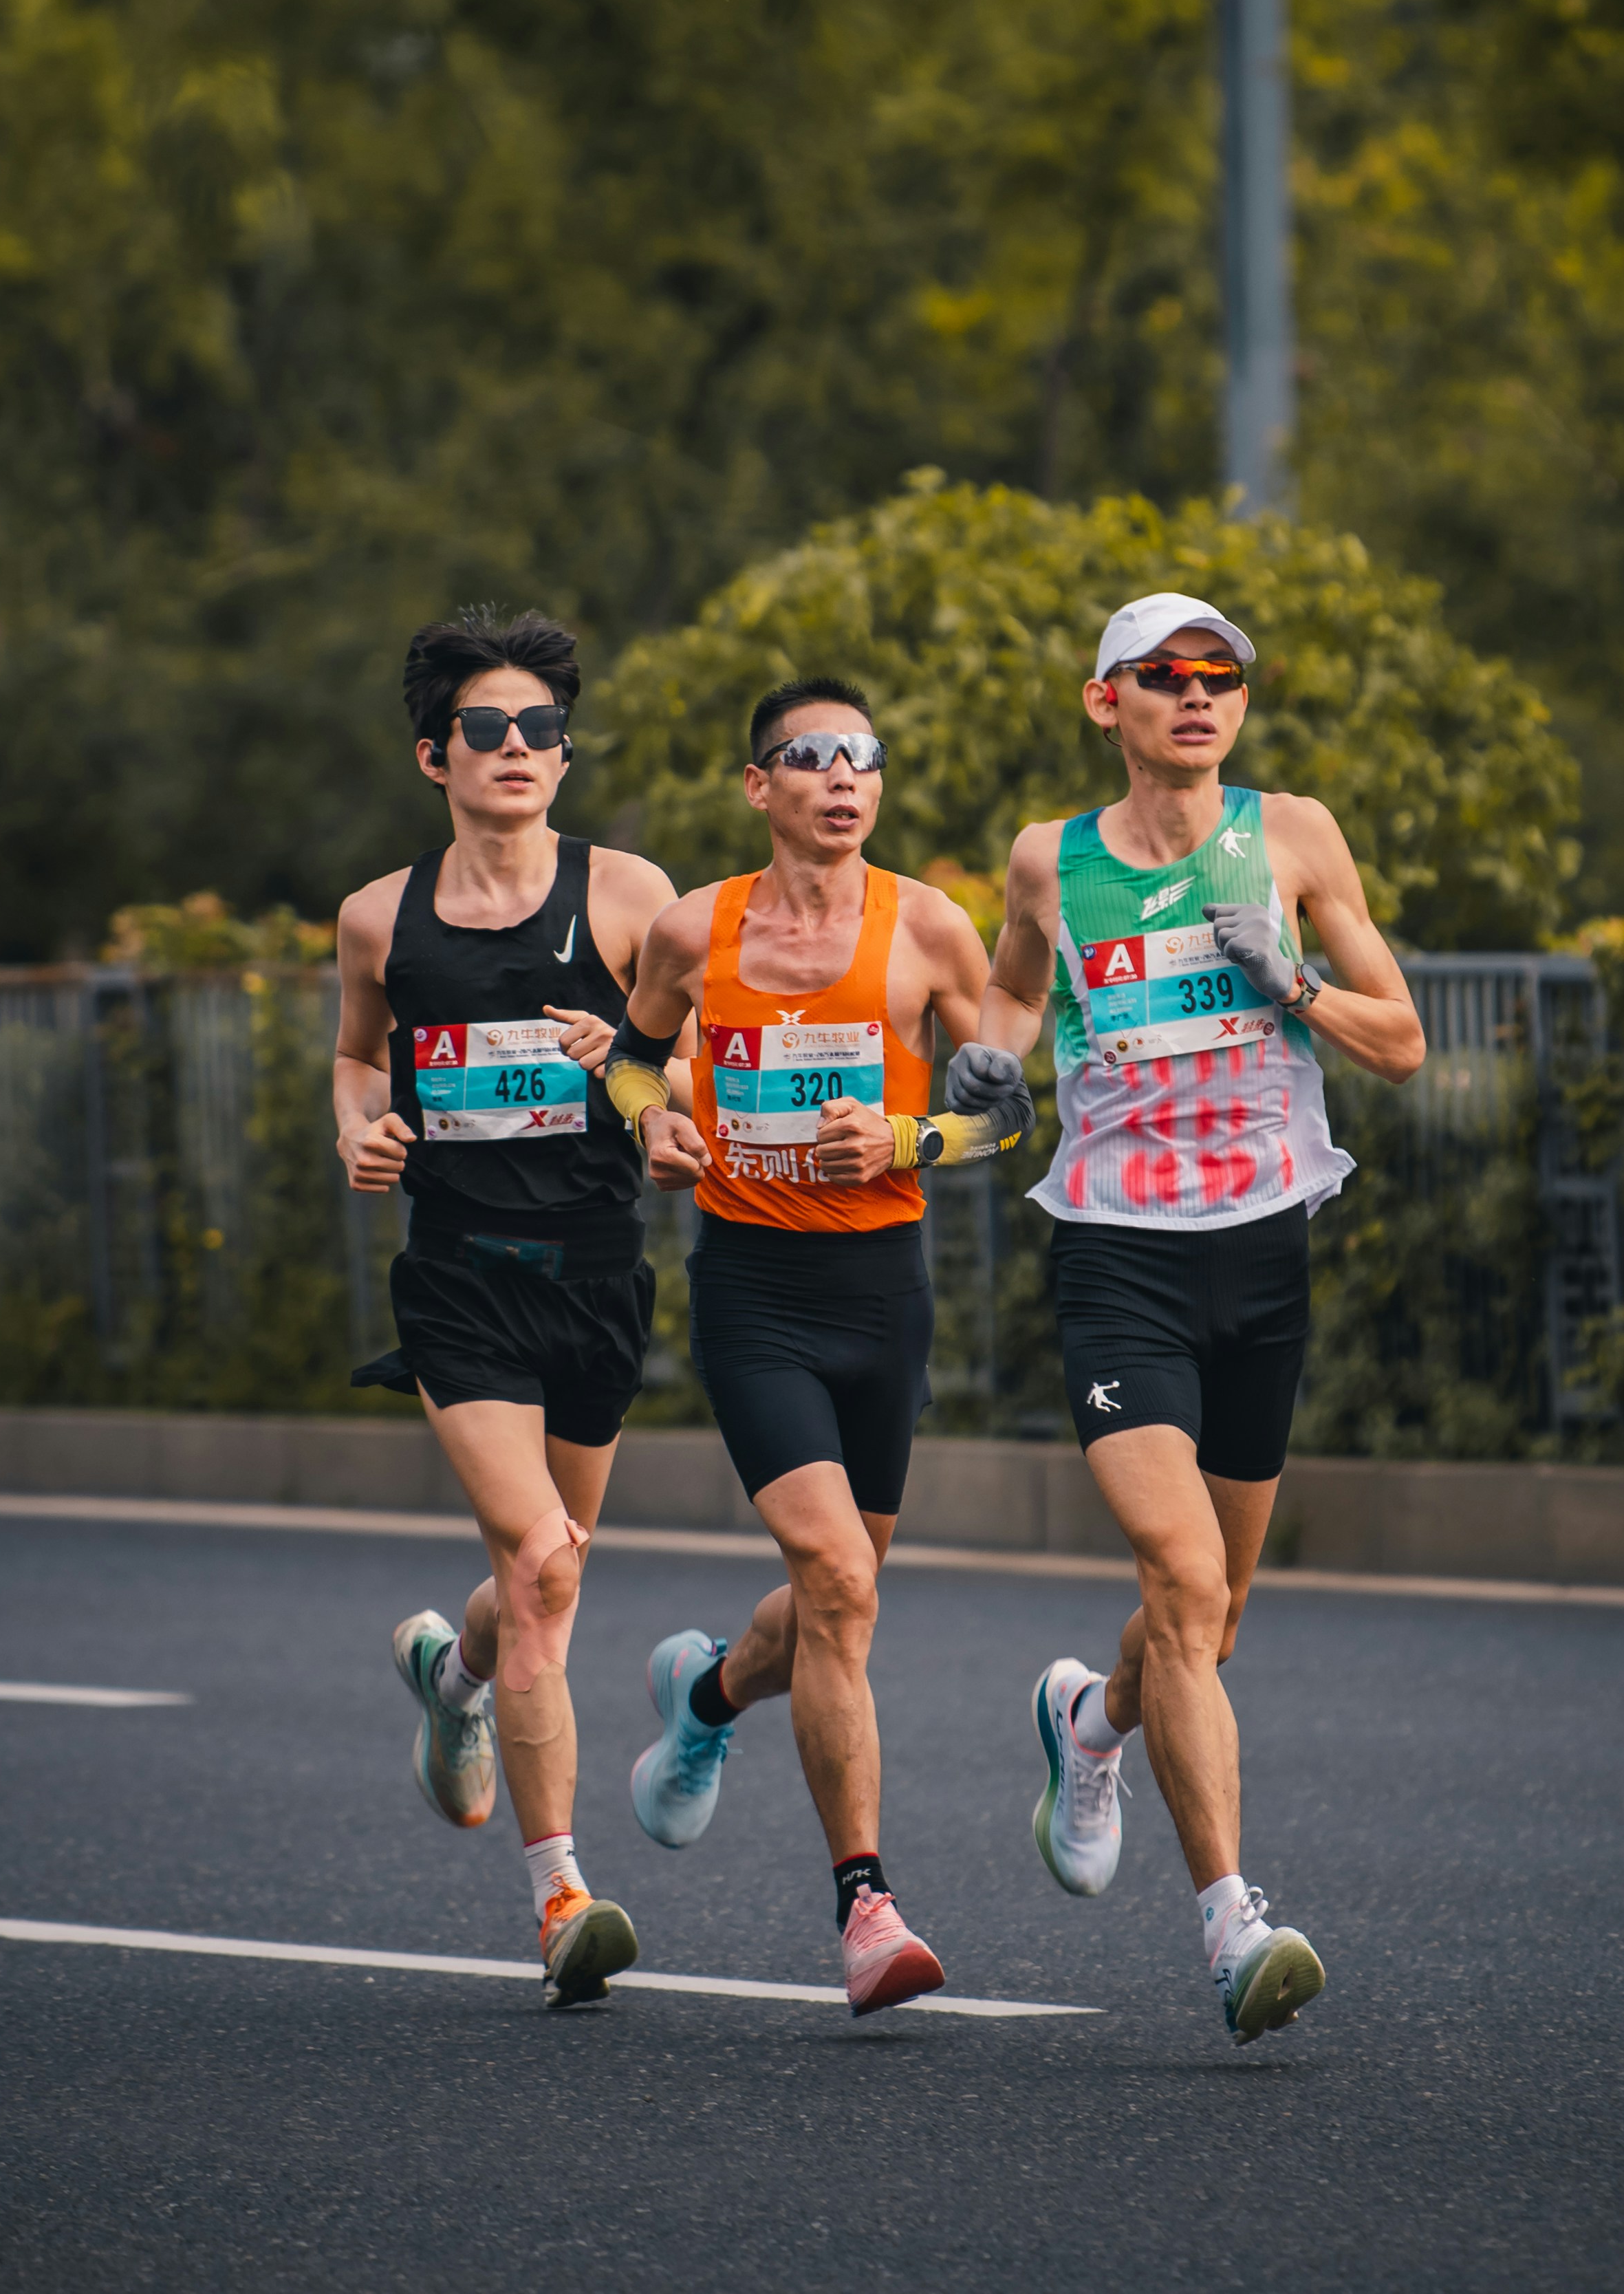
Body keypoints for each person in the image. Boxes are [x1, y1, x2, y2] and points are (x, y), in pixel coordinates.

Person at [957, 592, 1425, 2043]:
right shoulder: (1052, 858)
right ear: (1108, 702)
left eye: (1220, 677)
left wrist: (1289, 981)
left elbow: (1400, 1037)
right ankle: (1232, 1922)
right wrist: (987, 1060)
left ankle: (1089, 1723)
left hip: (1261, 1256)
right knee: (1180, 1573)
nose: (1198, 697)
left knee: (1207, 1622)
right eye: (1165, 676)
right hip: (1117, 1259)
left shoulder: (1292, 837)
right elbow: (1016, 994)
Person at [598, 678, 1030, 2017]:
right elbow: (628, 1061)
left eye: (865, 760)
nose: (844, 780)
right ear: (758, 787)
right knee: (838, 1579)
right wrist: (651, 1127)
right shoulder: (691, 930)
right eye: (812, 758)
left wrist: (908, 1139)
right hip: (752, 1291)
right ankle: (865, 1908)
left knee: (841, 1601)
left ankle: (710, 1694)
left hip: (879, 1295)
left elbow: (1005, 1119)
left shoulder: (932, 930)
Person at [332, 605, 693, 2010]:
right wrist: (359, 1135)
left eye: (543, 728)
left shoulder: (626, 898)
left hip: (596, 1274)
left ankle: (455, 1676)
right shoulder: (381, 915)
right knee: (539, 1560)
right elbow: (361, 1064)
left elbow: (683, 1078)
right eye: (489, 728)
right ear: (436, 755)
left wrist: (639, 1086)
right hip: (462, 1276)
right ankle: (560, 1897)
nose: (519, 749)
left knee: (550, 1579)